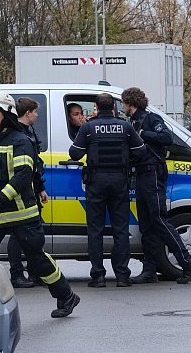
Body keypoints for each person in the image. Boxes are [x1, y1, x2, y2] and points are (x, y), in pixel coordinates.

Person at [0, 90, 79, 318]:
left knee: (37, 259)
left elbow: (22, 177)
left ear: (7, 114)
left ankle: (66, 295)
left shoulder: (20, 141)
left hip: (21, 214)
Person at [122, 86, 191, 285]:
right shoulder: (132, 121)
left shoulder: (150, 119)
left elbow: (167, 138)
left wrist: (143, 133)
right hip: (141, 174)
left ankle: (187, 261)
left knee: (159, 219)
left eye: (123, 102)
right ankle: (149, 270)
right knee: (146, 224)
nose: (122, 106)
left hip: (153, 174)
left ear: (130, 103)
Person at [69, 93, 145, 288]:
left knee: (95, 230)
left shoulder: (88, 127)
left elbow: (75, 153)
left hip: (96, 181)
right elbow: (140, 151)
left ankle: (98, 276)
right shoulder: (125, 126)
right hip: (120, 180)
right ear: (113, 107)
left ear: (96, 107)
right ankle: (122, 276)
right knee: (121, 230)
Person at [6, 96, 47, 288]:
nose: (37, 115)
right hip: (19, 193)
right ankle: (16, 274)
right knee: (17, 235)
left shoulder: (28, 132)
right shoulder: (17, 135)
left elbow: (34, 165)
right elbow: (22, 170)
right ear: (28, 113)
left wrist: (41, 189)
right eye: (35, 112)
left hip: (30, 191)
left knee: (33, 233)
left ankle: (34, 272)